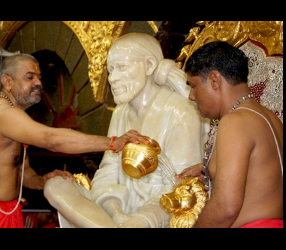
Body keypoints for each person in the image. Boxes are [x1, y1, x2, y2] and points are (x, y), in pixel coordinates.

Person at [0, 53, 149, 228]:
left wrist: (41, 181)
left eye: (38, 77)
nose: (38, 83)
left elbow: (21, 171)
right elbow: (51, 139)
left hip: (6, 212)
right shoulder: (1, 113)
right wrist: (112, 143)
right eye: (29, 77)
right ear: (7, 82)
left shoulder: (16, 118)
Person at [44, 32, 209, 228]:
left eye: (122, 68)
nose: (113, 78)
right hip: (114, 212)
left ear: (149, 65)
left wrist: (139, 219)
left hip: (156, 210)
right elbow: (108, 171)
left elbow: (182, 188)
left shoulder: (180, 110)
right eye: (110, 70)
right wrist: (115, 212)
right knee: (55, 186)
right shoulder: (121, 112)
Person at [176, 40, 283, 228]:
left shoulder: (235, 121)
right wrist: (207, 168)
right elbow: (258, 171)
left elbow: (226, 207)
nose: (191, 96)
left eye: (193, 86)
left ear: (215, 80)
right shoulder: (270, 118)